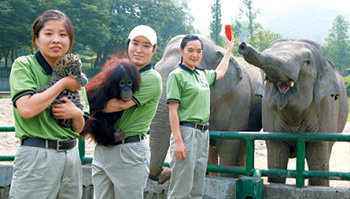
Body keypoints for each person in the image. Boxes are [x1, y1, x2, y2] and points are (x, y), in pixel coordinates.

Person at [9, 10, 89, 199]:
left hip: (71, 156)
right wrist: (63, 83)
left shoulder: (74, 71)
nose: (56, 40)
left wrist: (76, 114)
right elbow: (27, 109)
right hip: (37, 154)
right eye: (48, 34)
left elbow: (80, 128)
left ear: (70, 40)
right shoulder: (24, 65)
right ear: (37, 39)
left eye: (63, 35)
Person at [91, 25, 162, 199]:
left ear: (154, 50)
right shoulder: (117, 70)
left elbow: (117, 105)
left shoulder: (151, 77)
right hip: (103, 147)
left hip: (128, 150)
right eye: (135, 44)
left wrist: (85, 106)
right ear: (128, 44)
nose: (139, 50)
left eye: (146, 46)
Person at [166, 34, 235, 198]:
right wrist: (178, 141)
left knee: (197, 188)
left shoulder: (202, 75)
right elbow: (173, 110)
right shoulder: (176, 76)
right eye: (190, 50)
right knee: (180, 189)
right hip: (186, 133)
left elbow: (220, 72)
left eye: (198, 51)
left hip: (203, 134)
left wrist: (229, 50)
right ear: (181, 51)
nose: (195, 55)